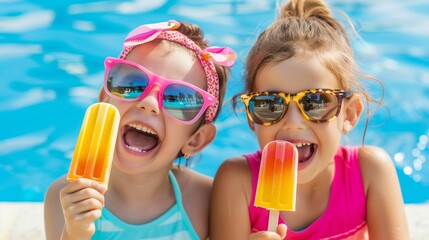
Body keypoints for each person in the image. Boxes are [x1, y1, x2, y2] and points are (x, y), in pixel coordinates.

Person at [210, 0, 409, 239]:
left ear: (350, 114)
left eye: (315, 102)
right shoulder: (237, 181)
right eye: (270, 104)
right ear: (252, 118)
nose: (293, 122)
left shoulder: (370, 172)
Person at [44, 20, 235, 240]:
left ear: (196, 140)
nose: (150, 104)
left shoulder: (205, 199)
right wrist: (74, 233)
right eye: (132, 83)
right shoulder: (66, 197)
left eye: (178, 99)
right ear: (104, 102)